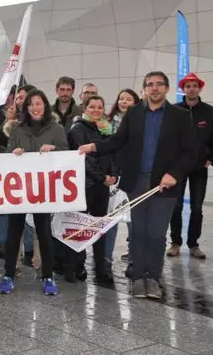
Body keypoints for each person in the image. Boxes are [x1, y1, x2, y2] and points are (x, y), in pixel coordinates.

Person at [79, 71, 196, 300]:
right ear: (144, 89)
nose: (154, 88)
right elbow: (118, 140)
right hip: (137, 182)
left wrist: (174, 173)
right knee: (139, 232)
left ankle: (152, 277)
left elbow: (190, 152)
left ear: (167, 88)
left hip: (164, 185)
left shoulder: (180, 116)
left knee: (156, 234)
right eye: (150, 85)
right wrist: (94, 147)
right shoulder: (134, 113)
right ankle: (138, 278)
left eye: (159, 85)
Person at [0, 89, 64, 296]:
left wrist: (54, 150)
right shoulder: (17, 129)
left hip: (44, 190)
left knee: (44, 232)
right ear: (26, 108)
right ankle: (8, 274)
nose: (35, 108)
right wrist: (14, 153)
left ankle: (47, 275)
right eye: (31, 104)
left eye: (39, 103)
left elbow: (67, 153)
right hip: (19, 190)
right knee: (13, 232)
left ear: (45, 105)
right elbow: (8, 155)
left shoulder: (56, 129)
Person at [168, 73, 213, 259]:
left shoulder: (209, 112)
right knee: (176, 206)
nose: (191, 89)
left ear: (199, 88)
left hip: (199, 167)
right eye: (188, 86)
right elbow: (168, 139)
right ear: (183, 89)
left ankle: (193, 244)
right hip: (179, 167)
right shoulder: (174, 110)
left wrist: (211, 157)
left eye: (194, 86)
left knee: (197, 207)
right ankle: (175, 242)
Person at [66, 95, 118, 283]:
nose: (96, 110)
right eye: (92, 107)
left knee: (99, 228)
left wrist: (113, 174)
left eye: (100, 107)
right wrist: (102, 177)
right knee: (80, 227)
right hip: (84, 185)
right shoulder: (77, 129)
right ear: (85, 108)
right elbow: (84, 159)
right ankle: (77, 266)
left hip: (102, 186)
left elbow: (112, 153)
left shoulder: (106, 128)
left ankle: (100, 266)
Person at [0, 85, 37, 261]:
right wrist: (8, 123)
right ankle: (10, 247)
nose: (21, 100)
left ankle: (29, 249)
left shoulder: (39, 121)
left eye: (25, 97)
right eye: (18, 97)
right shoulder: (10, 121)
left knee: (30, 213)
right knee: (12, 213)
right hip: (12, 176)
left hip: (32, 176)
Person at [104, 88, 140, 265]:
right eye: (121, 99)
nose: (123, 102)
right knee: (112, 216)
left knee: (133, 217)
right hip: (113, 174)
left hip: (133, 174)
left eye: (128, 99)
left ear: (136, 102)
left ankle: (135, 254)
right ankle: (106, 257)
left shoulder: (140, 122)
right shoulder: (108, 122)